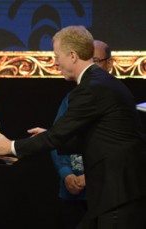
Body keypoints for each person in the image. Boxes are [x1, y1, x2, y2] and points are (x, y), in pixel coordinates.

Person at [0, 25, 146, 229]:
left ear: (73, 56)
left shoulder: (91, 89)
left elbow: (57, 136)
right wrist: (50, 136)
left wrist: (11, 147)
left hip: (118, 192)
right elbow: (97, 137)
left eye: (57, 56)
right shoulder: (99, 83)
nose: (56, 63)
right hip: (116, 191)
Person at [50, 39, 113, 229]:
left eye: (95, 60)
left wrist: (88, 177)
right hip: (71, 193)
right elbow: (57, 136)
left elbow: (115, 148)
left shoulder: (114, 96)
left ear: (109, 64)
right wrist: (66, 174)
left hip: (103, 193)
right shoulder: (73, 98)